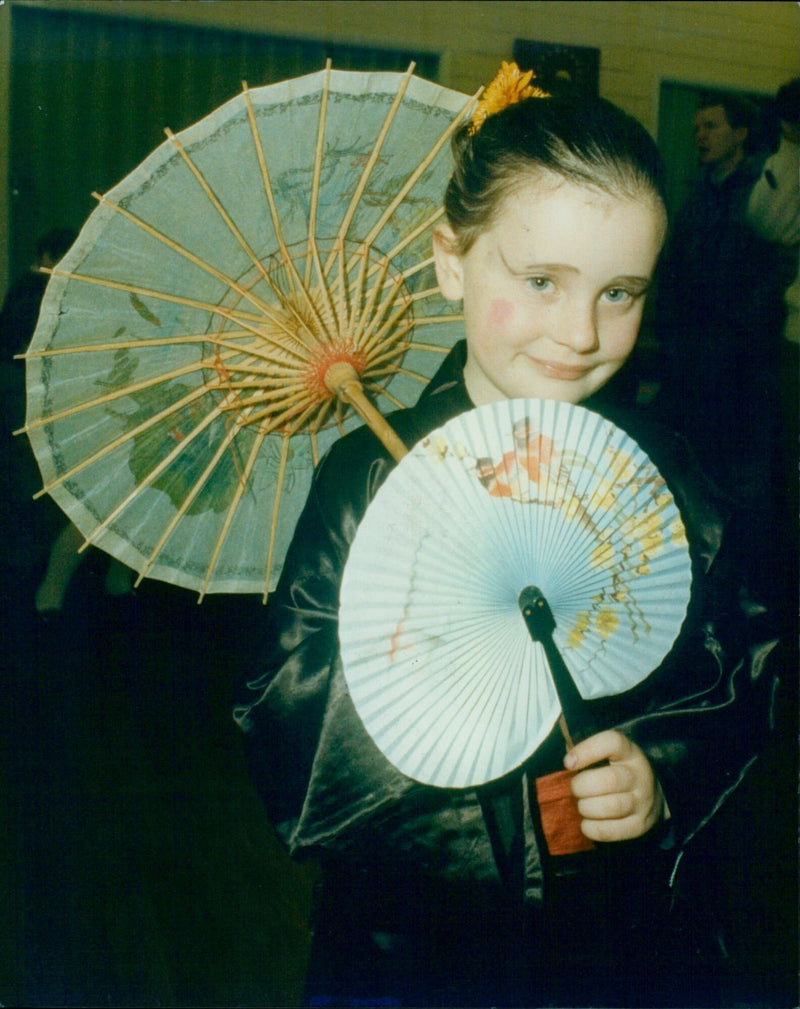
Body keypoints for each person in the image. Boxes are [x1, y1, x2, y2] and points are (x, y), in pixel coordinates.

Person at [234, 66, 784, 1008]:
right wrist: (446, 682)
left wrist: (661, 771)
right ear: (453, 258)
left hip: (631, 935)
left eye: (622, 292)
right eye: (540, 281)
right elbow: (285, 725)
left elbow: (742, 660)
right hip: (416, 945)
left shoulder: (667, 476)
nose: (580, 331)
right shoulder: (368, 489)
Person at [652, 92, 789, 513]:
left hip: (738, 360)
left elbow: (773, 274)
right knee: (682, 458)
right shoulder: (696, 194)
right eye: (696, 128)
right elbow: (673, 268)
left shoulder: (763, 194)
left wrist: (741, 334)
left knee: (732, 467)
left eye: (711, 126)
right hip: (688, 354)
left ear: (741, 134)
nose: (700, 136)